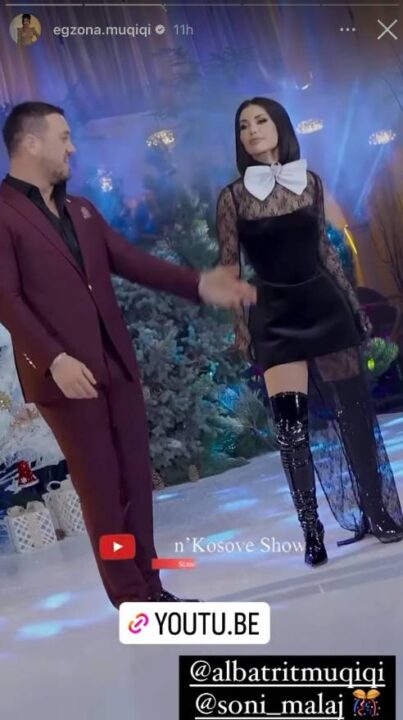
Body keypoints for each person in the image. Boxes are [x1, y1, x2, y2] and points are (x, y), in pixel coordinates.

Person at [0, 101, 256, 606]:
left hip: (116, 364)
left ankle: (152, 587)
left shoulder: (81, 210)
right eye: (63, 137)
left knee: (136, 484)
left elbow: (132, 262)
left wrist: (199, 284)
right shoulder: (3, 213)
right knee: (103, 492)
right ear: (30, 142)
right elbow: (6, 299)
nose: (72, 147)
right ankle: (131, 598)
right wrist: (54, 359)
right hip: (66, 377)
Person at [216, 96, 403, 567]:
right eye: (243, 125)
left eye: (260, 121)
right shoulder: (233, 197)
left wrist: (354, 307)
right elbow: (230, 270)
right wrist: (242, 330)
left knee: (356, 415)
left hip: (324, 304)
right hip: (274, 315)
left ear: (280, 126)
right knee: (291, 429)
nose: (252, 131)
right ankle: (311, 530)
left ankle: (378, 510)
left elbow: (326, 252)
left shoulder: (311, 183)